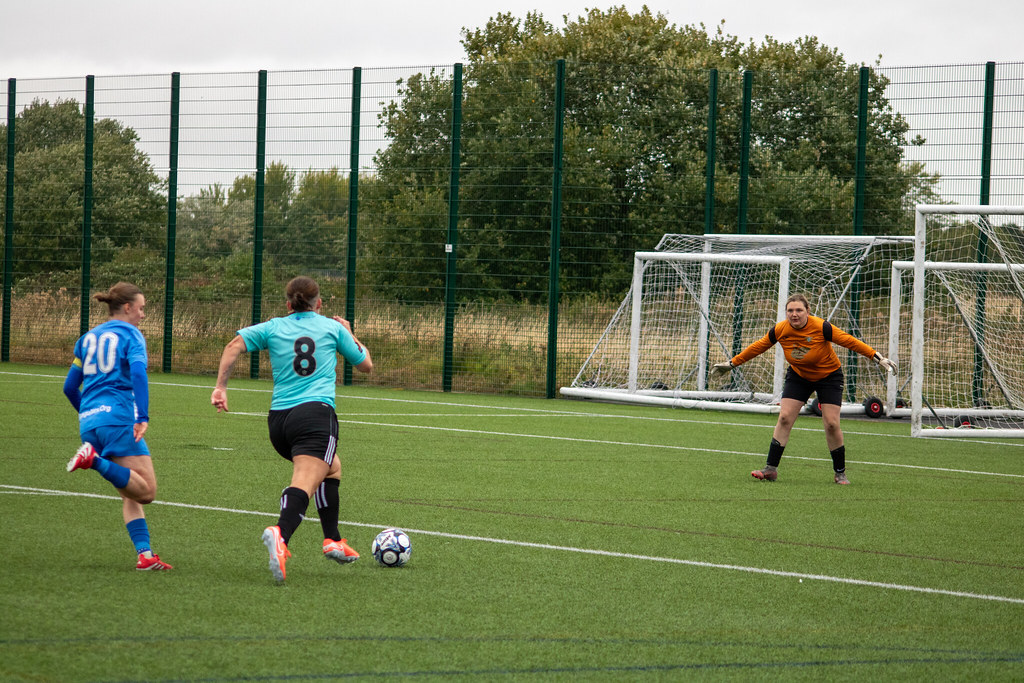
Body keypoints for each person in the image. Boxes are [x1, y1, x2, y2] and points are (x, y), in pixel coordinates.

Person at [211, 276, 373, 583]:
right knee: (305, 481)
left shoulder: (273, 326)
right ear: (319, 303)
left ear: (288, 304)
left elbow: (233, 346)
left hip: (279, 423)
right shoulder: (332, 327)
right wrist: (351, 332)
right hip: (315, 417)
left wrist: (221, 387)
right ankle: (280, 534)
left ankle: (333, 539)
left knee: (331, 467)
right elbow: (365, 365)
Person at [711, 293, 897, 485]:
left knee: (832, 424)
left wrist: (877, 357)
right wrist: (732, 363)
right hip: (799, 376)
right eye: (790, 310)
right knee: (784, 418)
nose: (794, 314)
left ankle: (840, 473)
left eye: (799, 310)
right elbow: (758, 347)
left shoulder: (821, 326)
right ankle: (770, 469)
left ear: (808, 311)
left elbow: (849, 341)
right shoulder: (780, 330)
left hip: (829, 377)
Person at [63, 282, 172, 570]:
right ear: (127, 307)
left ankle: (145, 555)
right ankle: (94, 461)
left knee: (130, 490)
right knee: (147, 491)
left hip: (90, 423)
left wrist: (91, 413)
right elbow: (138, 373)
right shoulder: (131, 335)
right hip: (119, 418)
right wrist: (143, 416)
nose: (143, 315)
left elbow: (70, 387)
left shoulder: (87, 339)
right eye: (141, 308)